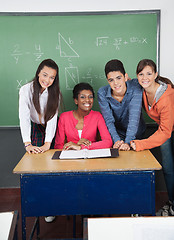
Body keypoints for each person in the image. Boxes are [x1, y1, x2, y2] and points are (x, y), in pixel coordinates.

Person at [19, 58, 61, 223]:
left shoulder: (54, 92)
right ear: (38, 73)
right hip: (34, 128)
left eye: (52, 77)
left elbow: (52, 119)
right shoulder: (26, 90)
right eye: (45, 75)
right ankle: (40, 204)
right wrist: (27, 143)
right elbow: (23, 117)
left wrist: (48, 143)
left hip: (51, 131)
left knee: (52, 167)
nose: (47, 80)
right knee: (37, 169)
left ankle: (52, 206)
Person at [130, 59, 174, 216]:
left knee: (170, 167)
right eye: (141, 74)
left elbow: (165, 132)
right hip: (165, 128)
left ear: (156, 74)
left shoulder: (166, 96)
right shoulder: (139, 87)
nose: (145, 77)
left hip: (166, 129)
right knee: (168, 168)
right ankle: (172, 202)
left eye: (149, 74)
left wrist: (141, 144)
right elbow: (125, 83)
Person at [97, 59, 146, 151]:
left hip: (137, 135)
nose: (116, 83)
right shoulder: (102, 93)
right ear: (107, 81)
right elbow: (108, 120)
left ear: (125, 77)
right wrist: (117, 141)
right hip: (116, 136)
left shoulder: (135, 87)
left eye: (119, 78)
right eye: (111, 80)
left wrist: (128, 142)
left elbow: (134, 118)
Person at [54, 82, 112, 150]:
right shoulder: (64, 117)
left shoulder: (97, 116)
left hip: (91, 157)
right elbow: (58, 146)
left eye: (90, 97)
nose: (87, 100)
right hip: (70, 158)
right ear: (76, 100)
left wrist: (81, 147)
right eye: (82, 97)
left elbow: (108, 142)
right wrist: (75, 145)